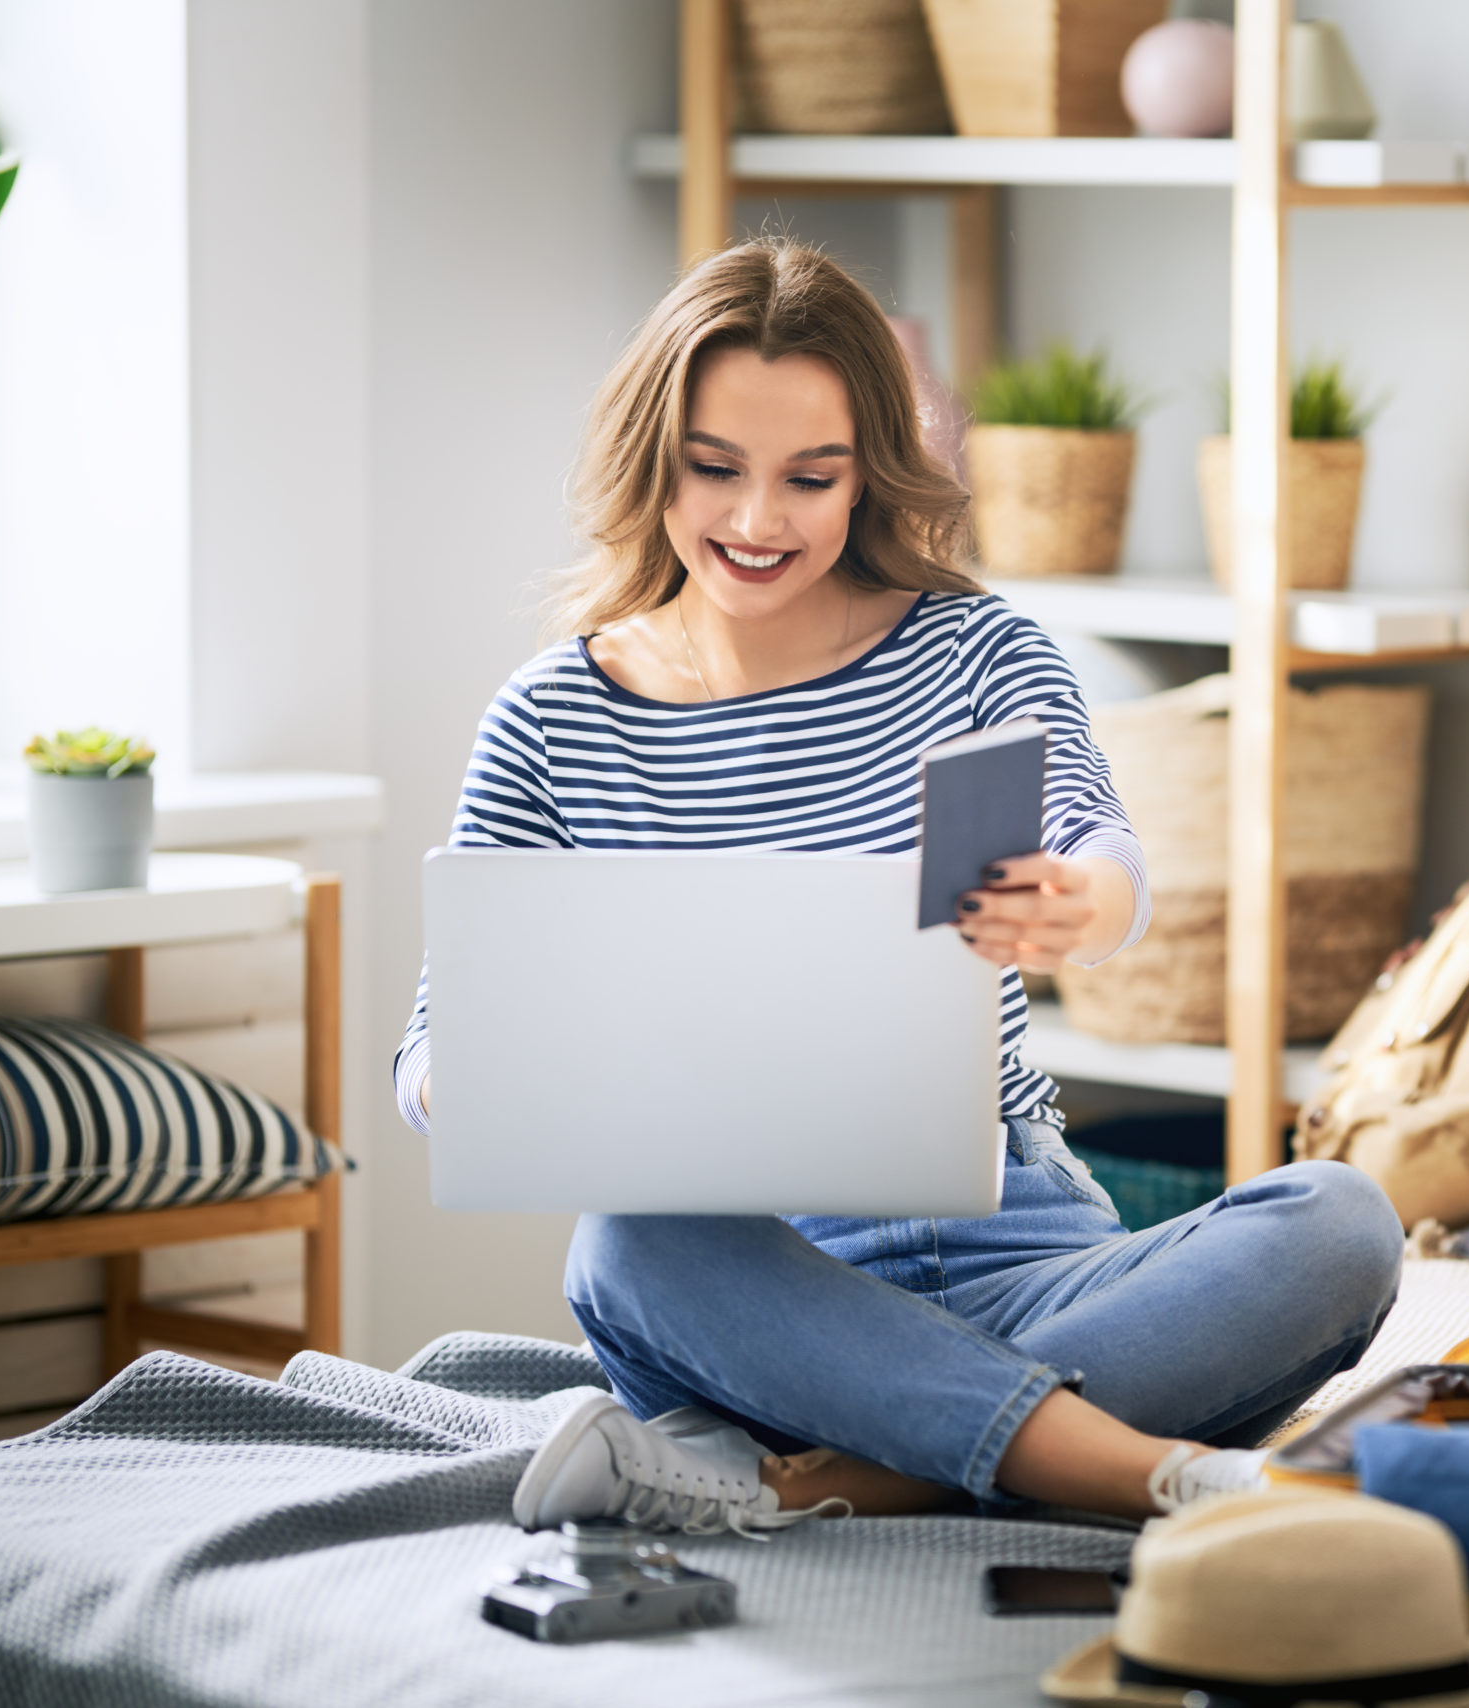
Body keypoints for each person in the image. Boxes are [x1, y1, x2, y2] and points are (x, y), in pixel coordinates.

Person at [393, 238, 1403, 1536]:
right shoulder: (551, 722)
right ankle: (1119, 1466)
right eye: (716, 471)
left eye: (810, 479)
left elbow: (1103, 849)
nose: (759, 523)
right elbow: (433, 1051)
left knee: (1340, 1220)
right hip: (763, 1295)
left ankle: (845, 1477)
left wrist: (1081, 904)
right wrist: (468, 1083)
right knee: (627, 1244)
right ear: (655, 459)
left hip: (1031, 1257)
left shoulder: (977, 651)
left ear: (868, 474)